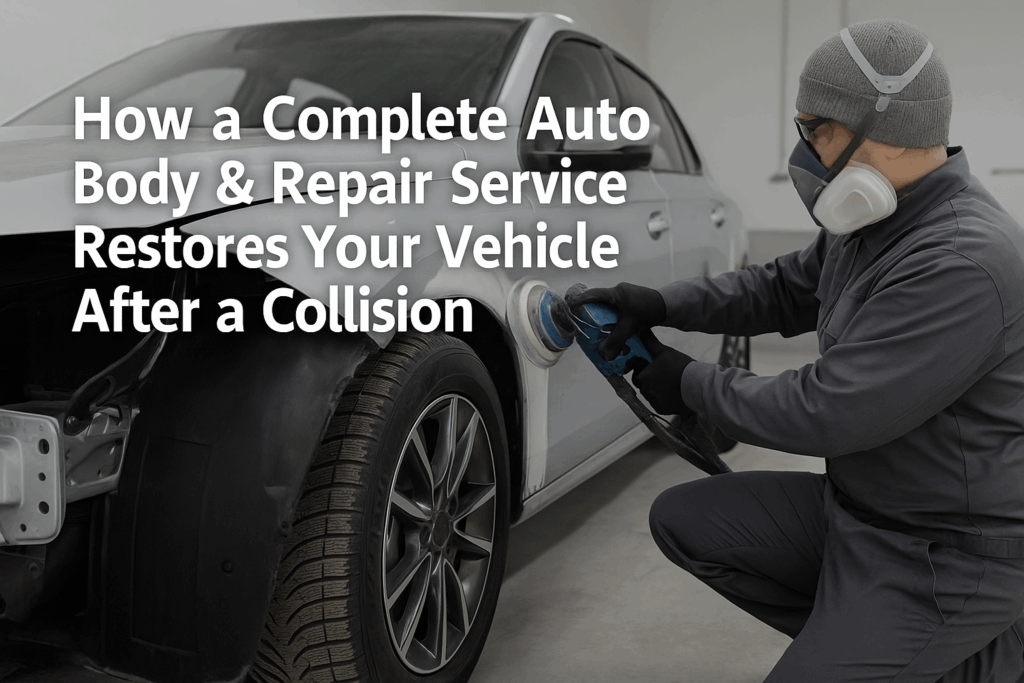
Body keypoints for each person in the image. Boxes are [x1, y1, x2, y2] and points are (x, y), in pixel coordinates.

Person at [569, 18, 1024, 682]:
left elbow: (830, 408)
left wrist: (689, 381)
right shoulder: (875, 220)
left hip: (943, 553)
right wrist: (662, 303)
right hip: (858, 512)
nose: (804, 151)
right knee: (686, 520)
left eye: (818, 130)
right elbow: (780, 289)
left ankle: (984, 654)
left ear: (888, 130)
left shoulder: (965, 260)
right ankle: (879, 640)